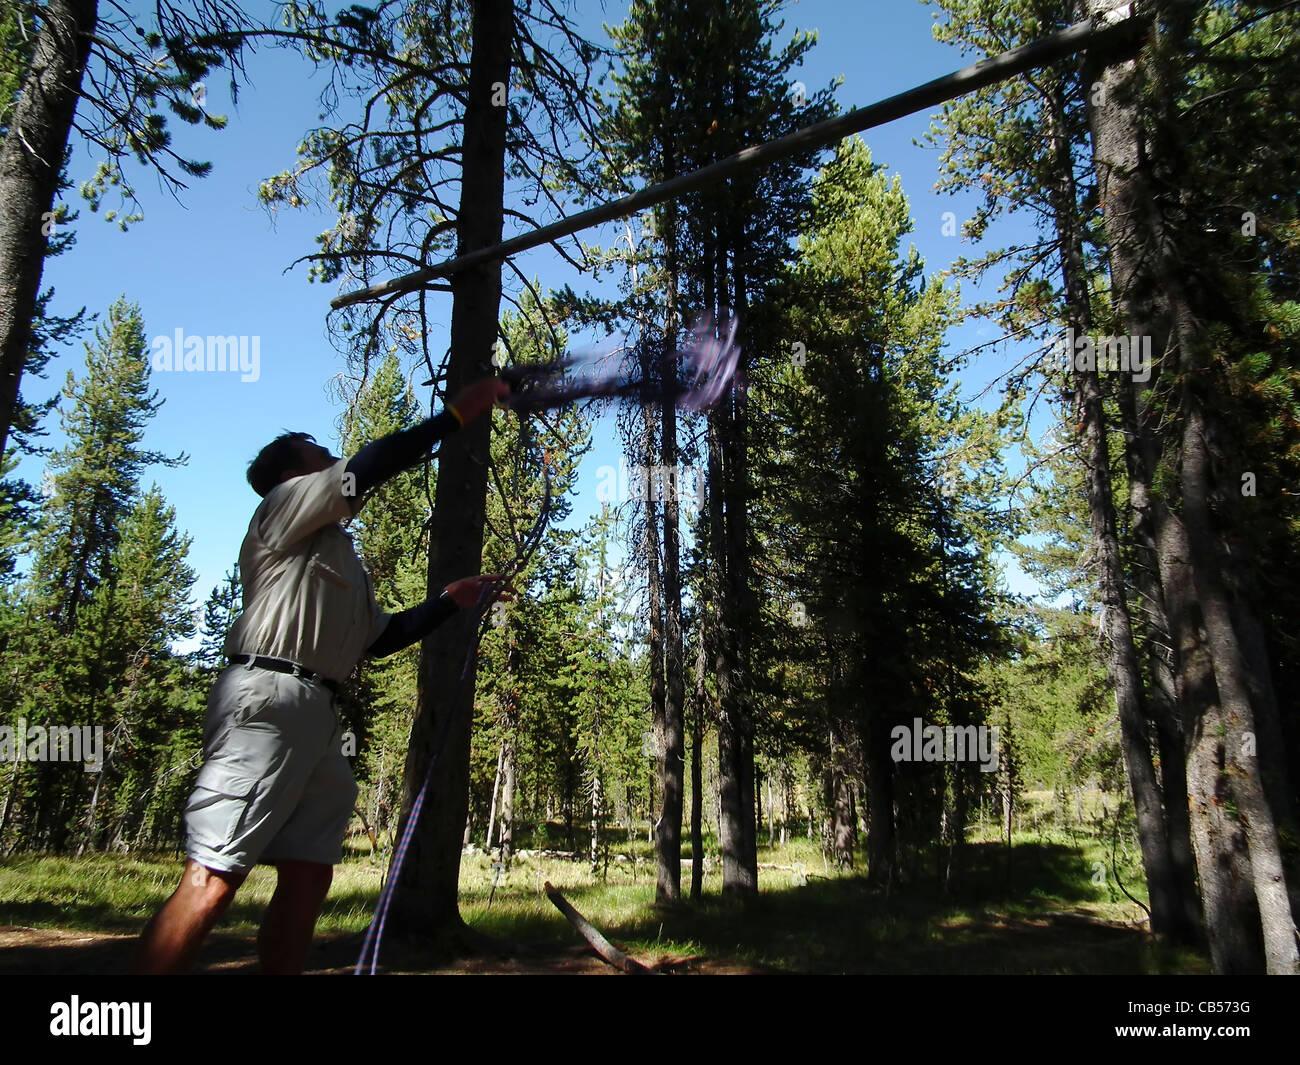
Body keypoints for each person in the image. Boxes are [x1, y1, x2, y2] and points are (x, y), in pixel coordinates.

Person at [134, 376, 511, 974]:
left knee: (310, 873)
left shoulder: (338, 553)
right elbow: (368, 466)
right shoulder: (282, 507)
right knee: (213, 873)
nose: (329, 452)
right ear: (293, 475)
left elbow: (380, 640)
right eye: (315, 447)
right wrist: (454, 419)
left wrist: (450, 599)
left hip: (316, 714)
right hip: (265, 703)